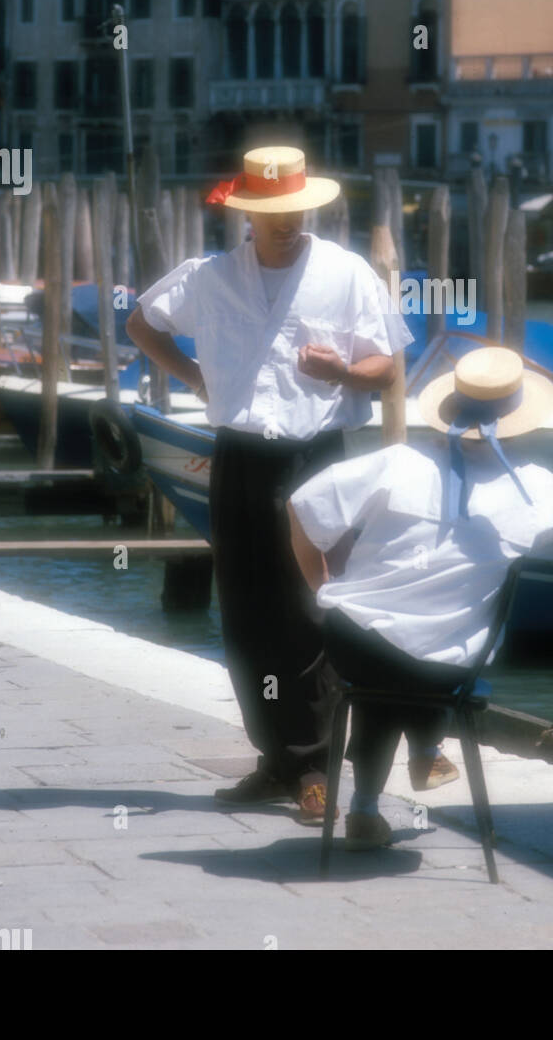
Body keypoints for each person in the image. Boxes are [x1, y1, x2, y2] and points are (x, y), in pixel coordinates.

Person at [125, 145, 412, 826]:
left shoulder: (345, 274)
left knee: (310, 609)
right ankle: (275, 759)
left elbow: (388, 370)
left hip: (317, 459)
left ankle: (316, 765)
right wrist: (192, 377)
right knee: (247, 614)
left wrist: (339, 370)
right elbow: (140, 324)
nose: (285, 223)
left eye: (295, 212)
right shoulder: (209, 276)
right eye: (271, 213)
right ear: (247, 215)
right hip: (239, 457)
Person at [286, 346, 553, 849]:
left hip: (357, 643)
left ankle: (369, 806)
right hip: (447, 668)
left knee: (386, 668)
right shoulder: (538, 491)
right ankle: (425, 746)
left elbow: (301, 507)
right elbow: (536, 538)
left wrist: (322, 588)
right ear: (520, 419)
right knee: (429, 653)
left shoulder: (394, 464)